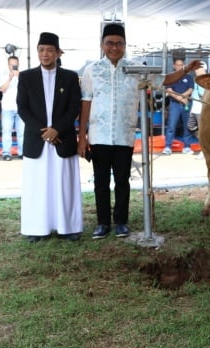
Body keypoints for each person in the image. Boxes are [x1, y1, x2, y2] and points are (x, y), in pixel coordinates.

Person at [78, 23, 143, 240]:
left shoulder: (135, 68)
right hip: (99, 135)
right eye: (110, 43)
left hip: (124, 135)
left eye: (119, 43)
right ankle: (103, 223)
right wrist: (82, 136)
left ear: (125, 45)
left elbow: (161, 80)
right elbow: (85, 103)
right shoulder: (92, 70)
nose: (114, 47)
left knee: (122, 181)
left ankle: (121, 222)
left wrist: (185, 71)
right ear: (102, 45)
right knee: (101, 182)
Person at [17, 32, 82, 243]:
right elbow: (23, 108)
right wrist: (45, 132)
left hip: (62, 139)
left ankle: (68, 227)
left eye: (50, 50)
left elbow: (74, 107)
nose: (45, 54)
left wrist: (57, 129)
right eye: (41, 50)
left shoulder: (70, 77)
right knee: (37, 185)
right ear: (37, 51)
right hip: (37, 140)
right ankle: (36, 228)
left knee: (65, 184)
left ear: (58, 53)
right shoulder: (26, 77)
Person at [163, 58, 195, 155]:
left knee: (187, 126)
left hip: (187, 104)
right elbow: (169, 90)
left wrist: (184, 96)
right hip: (175, 104)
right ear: (174, 66)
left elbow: (191, 89)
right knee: (171, 125)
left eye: (181, 65)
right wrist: (181, 99)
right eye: (178, 65)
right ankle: (168, 146)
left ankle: (187, 146)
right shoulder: (170, 77)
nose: (179, 67)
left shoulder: (188, 77)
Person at [0, 56, 25, 160]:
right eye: (11, 64)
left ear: (18, 64)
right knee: (6, 131)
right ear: (8, 65)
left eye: (15, 64)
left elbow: (29, 89)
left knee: (22, 132)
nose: (13, 66)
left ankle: (22, 153)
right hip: (7, 107)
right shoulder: (3, 76)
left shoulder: (23, 76)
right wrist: (10, 78)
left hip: (21, 107)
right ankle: (6, 153)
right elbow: (2, 89)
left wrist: (19, 77)